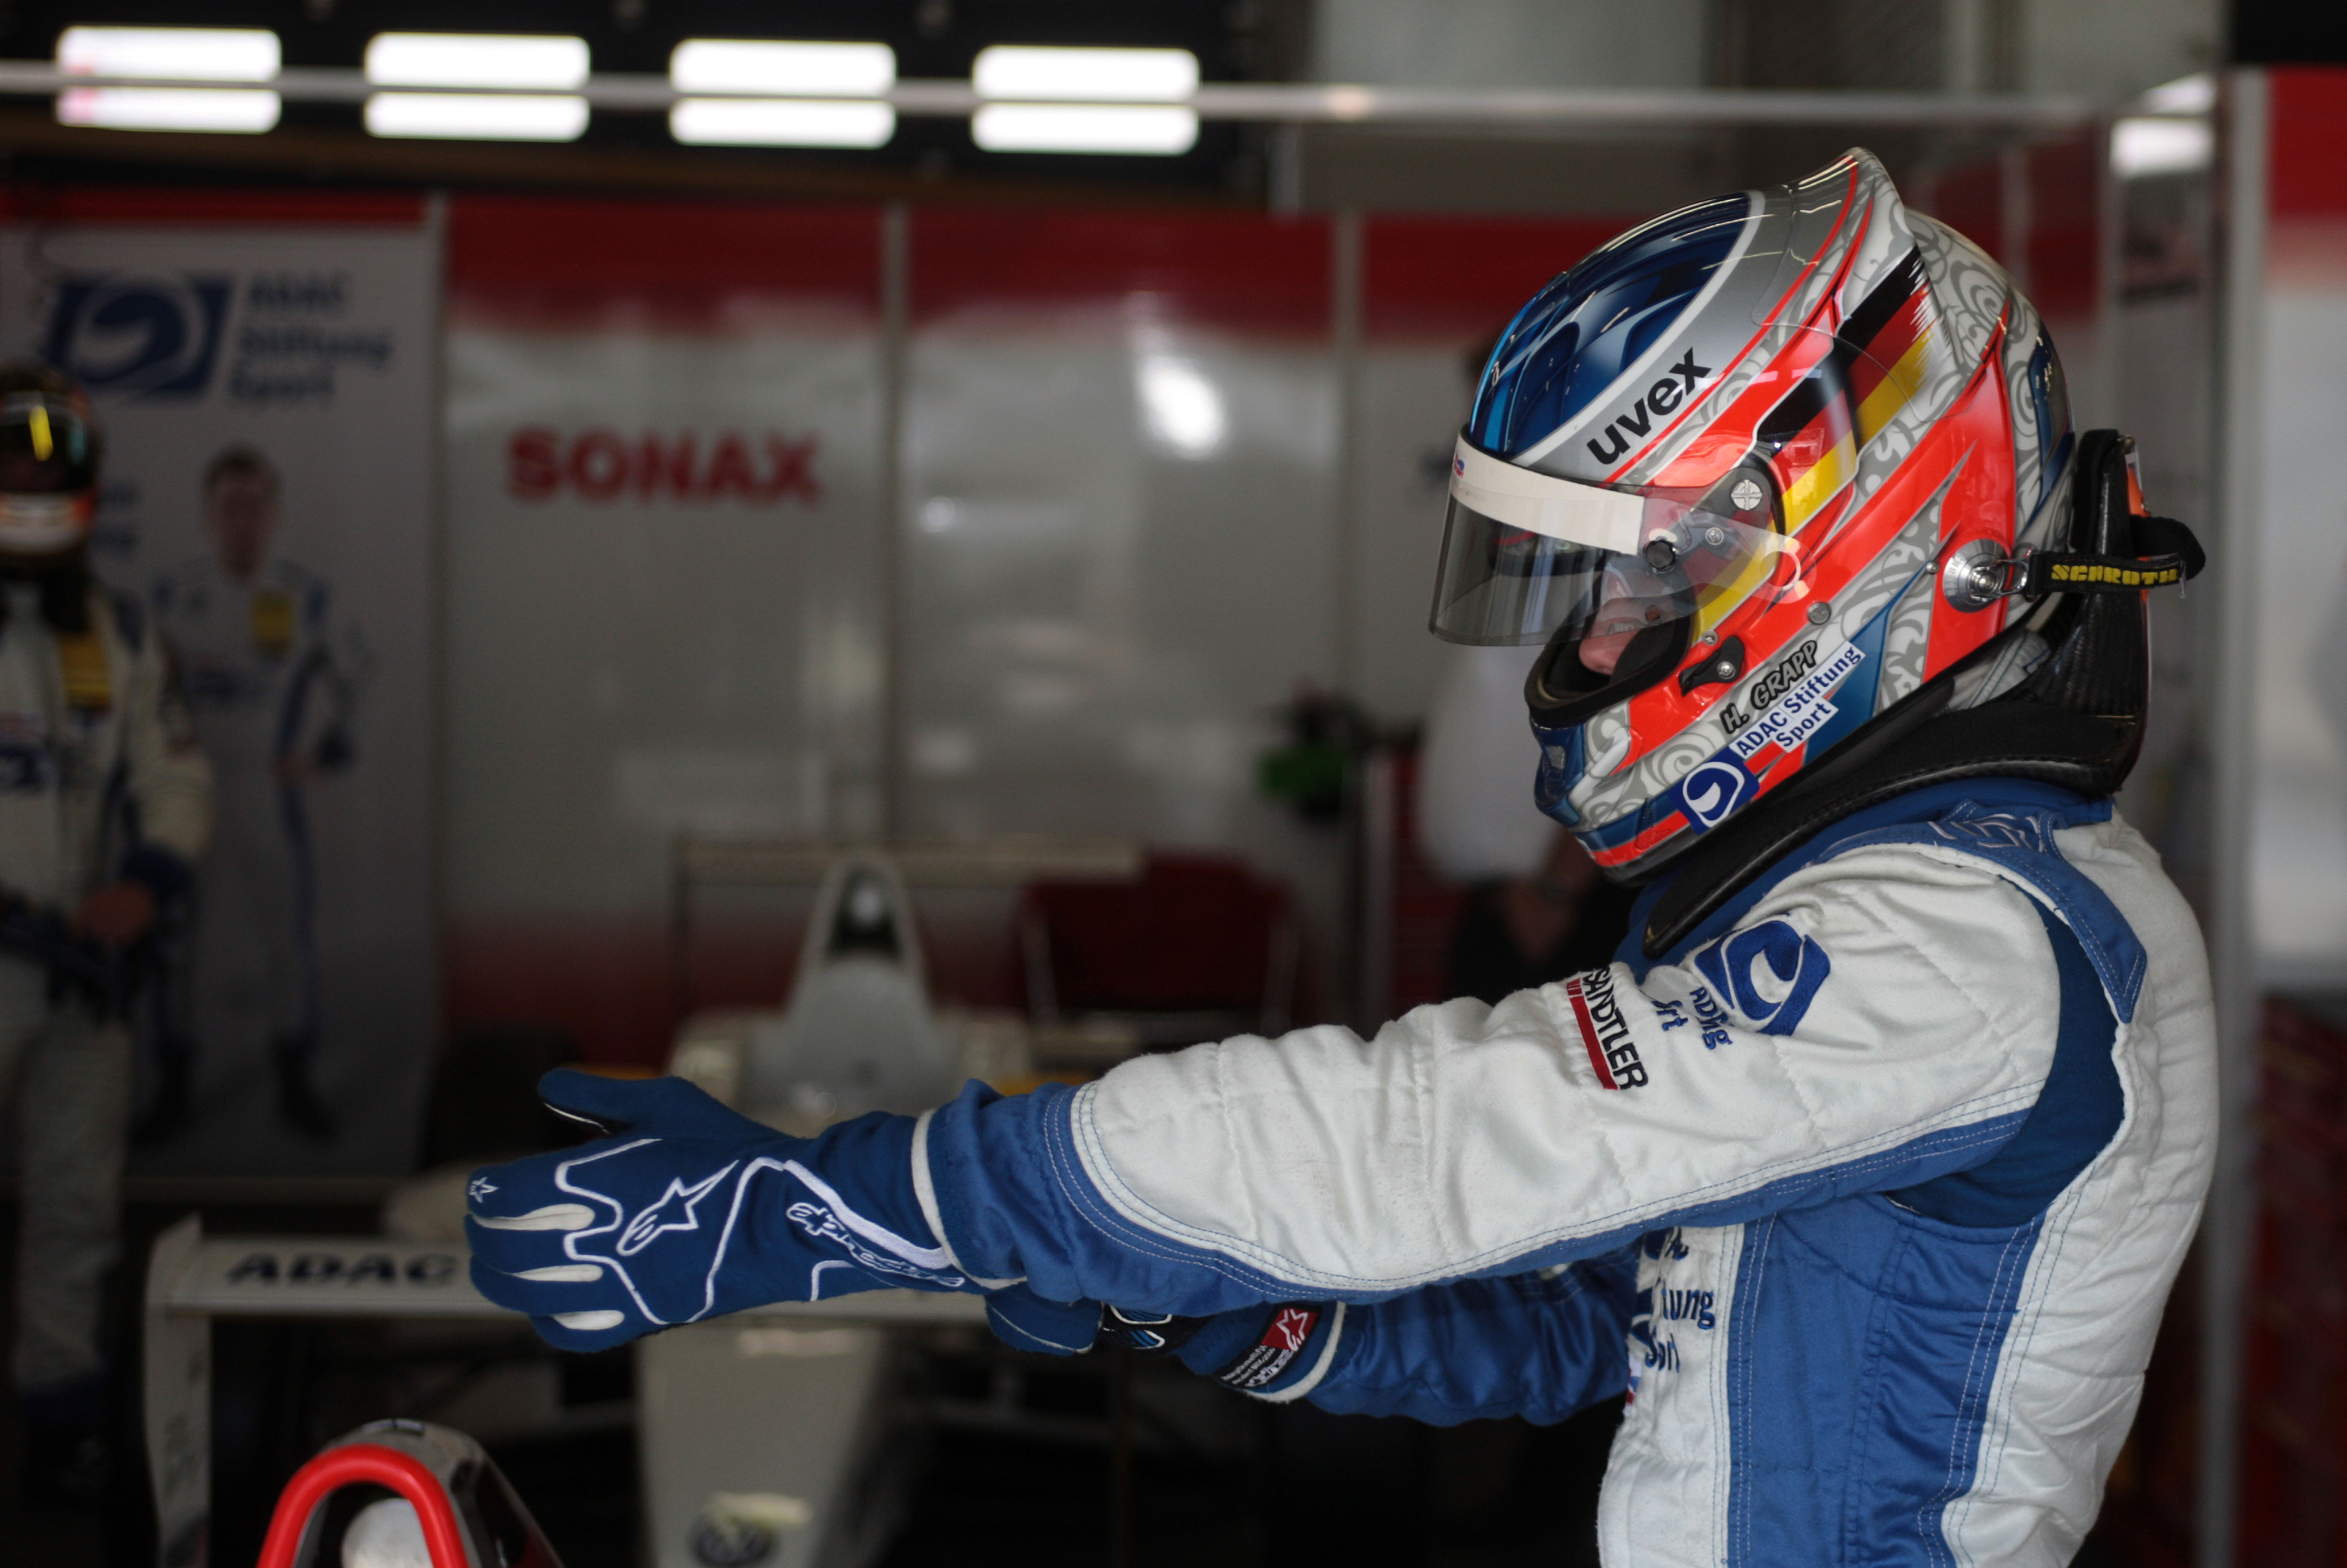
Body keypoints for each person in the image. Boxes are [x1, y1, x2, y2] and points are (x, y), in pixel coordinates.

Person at [466, 151, 2216, 1567]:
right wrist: (1239, 1312)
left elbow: (1433, 1135)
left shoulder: (1969, 941)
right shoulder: (1922, 900)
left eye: (1636, 582)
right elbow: (1607, 1320)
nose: (1596, 645)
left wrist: (851, 1202)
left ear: (1860, 549)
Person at [0, 362, 211, 1501]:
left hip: (82, 970)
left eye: (55, 454)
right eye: (14, 449)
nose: (33, 472)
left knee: (79, 1202)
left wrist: (144, 882)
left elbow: (177, 777)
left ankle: (59, 1417)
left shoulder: (119, 632)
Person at [146, 444, 366, 1141]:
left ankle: (293, 1079)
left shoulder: (305, 595)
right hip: (189, 789)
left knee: (284, 942)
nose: (241, 520)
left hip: (265, 791)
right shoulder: (173, 594)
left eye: (253, 506)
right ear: (209, 515)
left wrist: (324, 750)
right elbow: (137, 691)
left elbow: (358, 675)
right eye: (229, 507)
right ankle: (175, 1084)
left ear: (274, 514)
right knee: (177, 941)